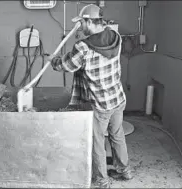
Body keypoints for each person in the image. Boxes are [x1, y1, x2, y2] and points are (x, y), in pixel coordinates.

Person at [50, 4, 133, 188]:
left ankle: (102, 180)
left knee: (97, 141)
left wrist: (53, 61)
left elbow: (67, 66)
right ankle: (125, 171)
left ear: (89, 21)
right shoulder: (115, 36)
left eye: (81, 22)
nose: (80, 26)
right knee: (117, 135)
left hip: (102, 104)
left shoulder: (84, 47)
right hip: (118, 98)